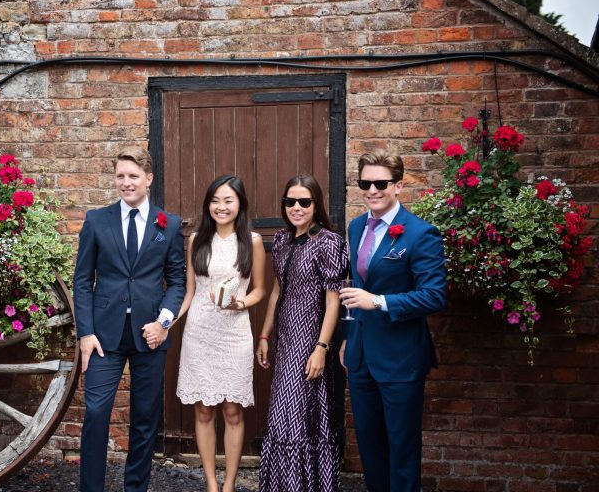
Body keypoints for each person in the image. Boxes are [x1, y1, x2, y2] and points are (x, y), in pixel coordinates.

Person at [73, 148, 186, 492]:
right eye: (120, 176)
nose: (126, 182)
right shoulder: (97, 221)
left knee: (144, 418)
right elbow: (82, 281)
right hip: (103, 336)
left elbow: (176, 282)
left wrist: (163, 323)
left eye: (133, 176)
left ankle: (135, 488)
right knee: (96, 412)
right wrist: (86, 333)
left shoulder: (168, 224)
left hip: (149, 336)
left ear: (148, 179)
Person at [339, 150, 447, 492]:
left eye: (381, 183)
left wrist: (378, 302)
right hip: (360, 355)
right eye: (365, 183)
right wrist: (348, 336)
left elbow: (434, 296)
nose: (372, 190)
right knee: (370, 446)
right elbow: (358, 287)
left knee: (401, 447)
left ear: (398, 186)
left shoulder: (421, 234)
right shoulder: (356, 227)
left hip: (401, 358)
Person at [176, 175, 267, 492]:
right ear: (208, 205)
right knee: (203, 410)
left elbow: (259, 289)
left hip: (234, 333)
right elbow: (190, 292)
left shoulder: (252, 241)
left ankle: (229, 484)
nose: (221, 206)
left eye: (228, 200)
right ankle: (212, 484)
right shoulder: (196, 239)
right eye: (215, 200)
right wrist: (166, 323)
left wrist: (241, 303)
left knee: (232, 410)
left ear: (240, 203)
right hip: (199, 332)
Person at [256, 175, 347, 492]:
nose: (296, 207)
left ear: (315, 204)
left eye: (304, 202)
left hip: (310, 339)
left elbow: (333, 301)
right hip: (284, 340)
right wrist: (264, 335)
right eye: (290, 201)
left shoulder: (328, 242)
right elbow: (276, 291)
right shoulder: (282, 240)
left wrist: (321, 347)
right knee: (282, 414)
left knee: (300, 415)